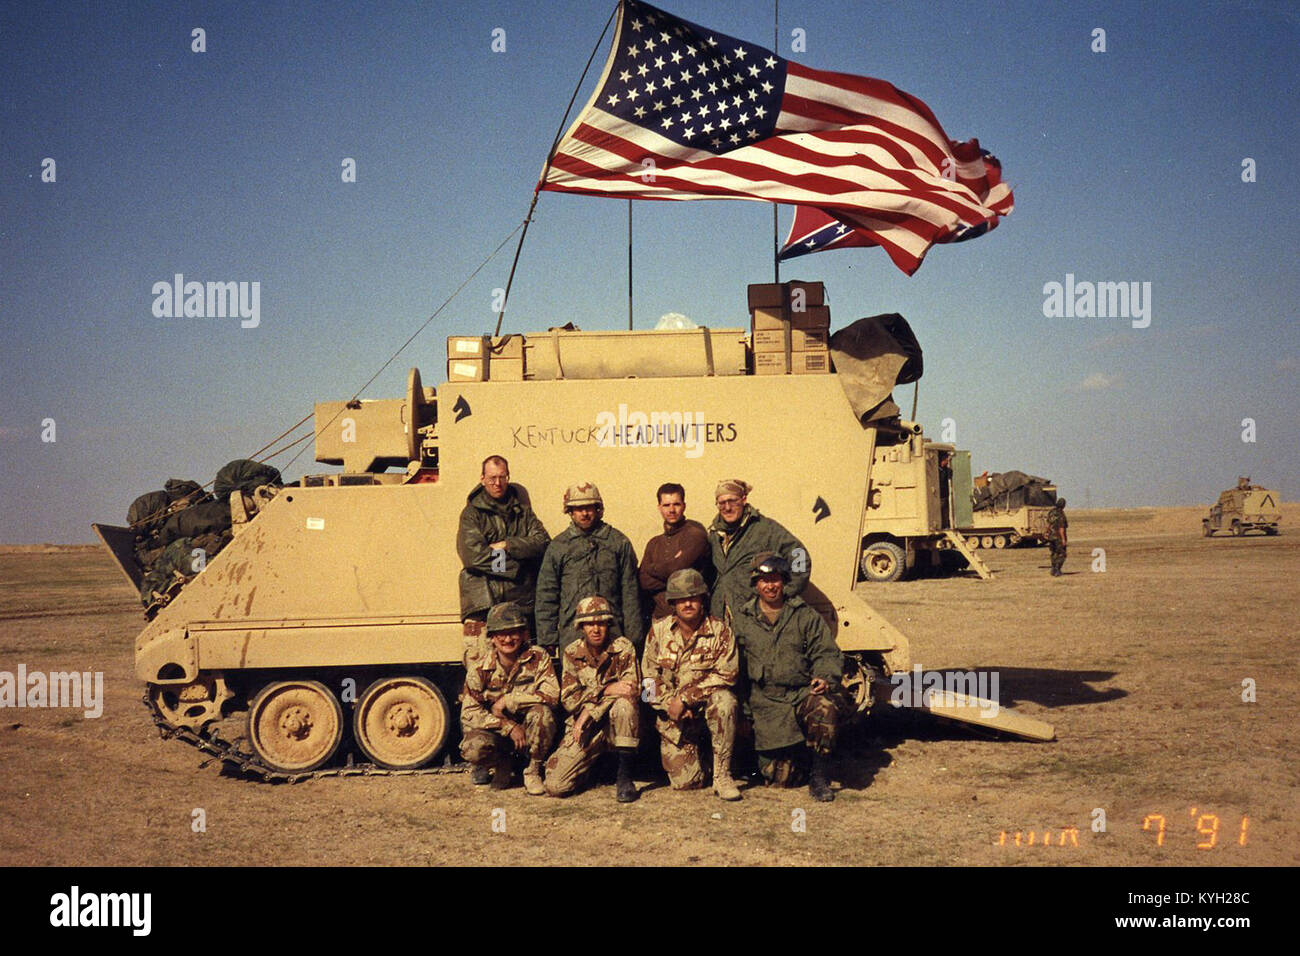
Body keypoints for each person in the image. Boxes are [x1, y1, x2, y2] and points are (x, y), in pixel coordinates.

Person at [732, 552, 847, 802]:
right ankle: (790, 758)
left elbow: (827, 652)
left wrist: (824, 676)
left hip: (798, 695)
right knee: (779, 779)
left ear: (784, 582)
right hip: (762, 702)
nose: (771, 586)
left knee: (824, 708)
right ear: (755, 584)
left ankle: (820, 775)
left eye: (776, 579)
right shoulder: (742, 619)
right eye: (764, 581)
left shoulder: (804, 615)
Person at [641, 568, 741, 800]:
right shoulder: (658, 631)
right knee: (686, 783)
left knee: (725, 700)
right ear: (673, 603)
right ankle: (704, 758)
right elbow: (648, 681)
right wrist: (669, 705)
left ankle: (722, 774)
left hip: (708, 711)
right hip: (675, 722)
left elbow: (728, 674)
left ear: (702, 599)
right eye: (681, 599)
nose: (688, 604)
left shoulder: (721, 632)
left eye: (693, 597)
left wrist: (685, 699)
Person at [544, 596, 642, 802]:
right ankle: (590, 769)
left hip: (615, 723)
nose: (595, 629)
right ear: (581, 626)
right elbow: (570, 700)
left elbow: (631, 689)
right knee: (555, 785)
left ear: (608, 624)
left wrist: (589, 709)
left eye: (601, 623)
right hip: (587, 728)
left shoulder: (623, 648)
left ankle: (624, 777)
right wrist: (606, 690)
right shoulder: (572, 652)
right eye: (589, 623)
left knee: (624, 705)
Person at [459, 602, 559, 795]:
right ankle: (502, 763)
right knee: (473, 747)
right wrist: (508, 727)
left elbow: (552, 695)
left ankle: (533, 770)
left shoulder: (538, 657)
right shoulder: (480, 669)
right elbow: (470, 714)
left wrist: (510, 700)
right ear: (492, 638)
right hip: (498, 731)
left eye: (513, 632)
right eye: (501, 633)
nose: (507, 639)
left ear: (523, 634)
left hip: (531, 729)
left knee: (543, 714)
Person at [456, 456, 550, 659]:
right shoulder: (472, 514)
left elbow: (542, 542)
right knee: (482, 669)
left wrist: (508, 545)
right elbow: (472, 557)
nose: (497, 483)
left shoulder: (522, 512)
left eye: (502, 477)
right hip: (483, 605)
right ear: (482, 479)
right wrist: (515, 568)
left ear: (508, 477)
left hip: (519, 606)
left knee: (522, 671)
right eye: (491, 478)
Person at [535, 482, 643, 650]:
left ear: (598, 509)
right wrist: (547, 638)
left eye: (589, 508)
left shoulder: (617, 542)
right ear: (569, 511)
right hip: (573, 634)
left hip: (612, 632)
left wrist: (634, 636)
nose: (584, 513)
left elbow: (630, 592)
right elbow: (547, 594)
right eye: (578, 509)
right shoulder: (559, 546)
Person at [708, 479, 810, 623]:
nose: (727, 507)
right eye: (722, 503)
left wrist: (787, 592)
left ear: (743, 500)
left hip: (754, 618)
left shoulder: (765, 529)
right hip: (720, 618)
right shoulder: (714, 534)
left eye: (732, 501)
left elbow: (799, 555)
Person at [638, 482, 713, 623]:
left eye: (676, 504)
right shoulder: (654, 543)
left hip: (692, 620)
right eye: (666, 505)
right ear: (659, 507)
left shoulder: (695, 536)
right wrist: (676, 575)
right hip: (660, 620)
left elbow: (676, 569)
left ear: (684, 505)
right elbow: (644, 581)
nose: (671, 510)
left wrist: (652, 568)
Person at [1046, 497, 1068, 577]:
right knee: (1062, 554)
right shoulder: (1061, 514)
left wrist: (1047, 533)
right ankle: (1058, 570)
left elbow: (1048, 524)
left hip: (1051, 537)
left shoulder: (1051, 512)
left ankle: (1053, 569)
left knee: (1054, 553)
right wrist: (1063, 539)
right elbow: (1061, 528)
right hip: (1058, 537)